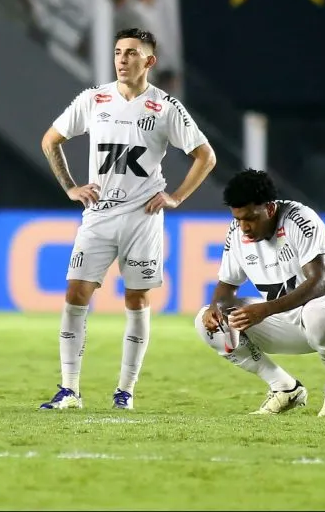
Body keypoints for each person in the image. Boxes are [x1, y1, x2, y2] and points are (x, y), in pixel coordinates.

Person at [39, 27, 216, 410]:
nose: (122, 59)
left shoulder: (165, 107)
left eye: (132, 53)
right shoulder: (94, 99)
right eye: (119, 51)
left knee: (136, 299)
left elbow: (206, 156)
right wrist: (70, 187)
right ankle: (69, 389)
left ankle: (125, 391)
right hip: (99, 216)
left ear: (149, 61)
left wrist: (176, 197)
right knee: (75, 293)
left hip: (142, 217)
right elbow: (50, 140)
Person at [194, 169, 325, 416]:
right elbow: (226, 287)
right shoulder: (236, 232)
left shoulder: (299, 219)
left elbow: (320, 284)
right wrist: (216, 309)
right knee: (206, 324)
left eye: (250, 218)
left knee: (316, 313)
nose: (244, 227)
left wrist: (265, 309)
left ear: (270, 208)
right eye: (238, 219)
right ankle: (284, 387)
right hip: (288, 321)